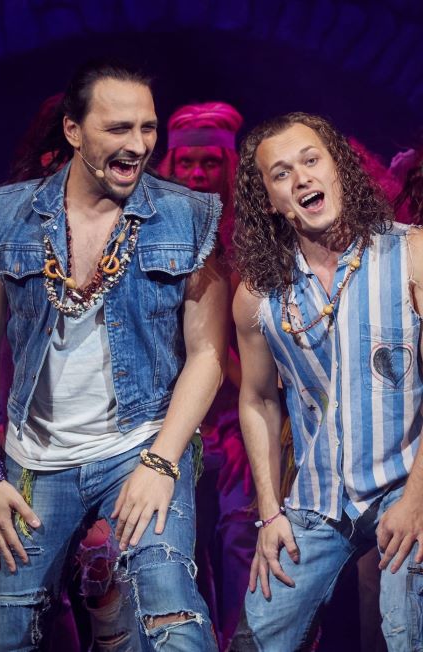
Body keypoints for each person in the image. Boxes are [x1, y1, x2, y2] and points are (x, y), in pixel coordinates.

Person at [0, 59, 228, 651]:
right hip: (35, 460)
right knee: (6, 633)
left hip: (141, 445)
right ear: (73, 130)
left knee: (171, 617)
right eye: (118, 128)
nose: (137, 145)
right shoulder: (2, 216)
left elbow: (208, 354)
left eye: (147, 127)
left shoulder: (187, 216)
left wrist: (161, 462)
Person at [231, 111, 423, 651]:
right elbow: (258, 400)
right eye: (282, 173)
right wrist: (270, 513)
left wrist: (417, 499)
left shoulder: (410, 254)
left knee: (403, 632)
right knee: (255, 640)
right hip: (317, 497)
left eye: (312, 160)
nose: (302, 178)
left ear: (338, 167)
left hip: (407, 481)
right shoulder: (259, 295)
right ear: (270, 200)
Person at [159, 102, 257, 649]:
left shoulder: (252, 240)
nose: (197, 174)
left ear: (229, 166)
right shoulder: (155, 229)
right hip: (169, 419)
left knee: (242, 533)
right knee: (176, 546)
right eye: (186, 163)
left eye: (210, 163)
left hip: (239, 418)